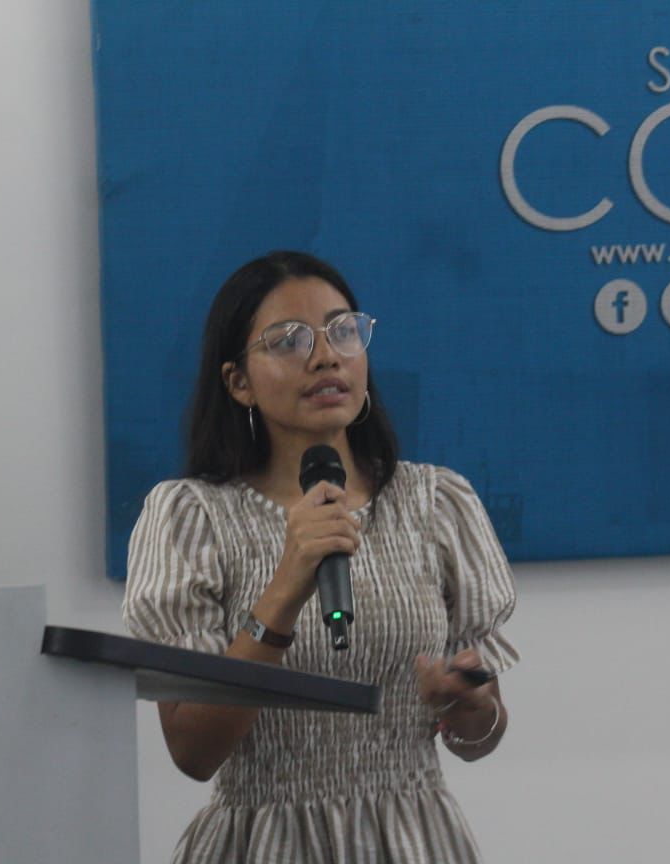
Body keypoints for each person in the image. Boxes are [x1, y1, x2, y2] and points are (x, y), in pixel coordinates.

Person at [122, 250, 518, 863]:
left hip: (414, 839)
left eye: (343, 331)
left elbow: (478, 738)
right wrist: (285, 587)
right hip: (265, 842)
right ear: (238, 381)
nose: (326, 356)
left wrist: (470, 705)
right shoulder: (191, 518)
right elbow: (193, 753)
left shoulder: (436, 502)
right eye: (289, 341)